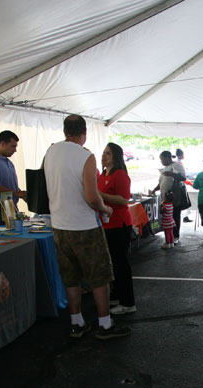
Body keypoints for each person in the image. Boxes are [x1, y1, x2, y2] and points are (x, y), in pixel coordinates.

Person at [44, 115, 130, 340]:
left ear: (65, 131)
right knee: (99, 276)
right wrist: (105, 209)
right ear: (84, 133)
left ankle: (77, 322)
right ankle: (104, 324)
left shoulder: (51, 152)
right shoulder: (86, 156)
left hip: (59, 226)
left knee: (71, 276)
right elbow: (92, 197)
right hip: (83, 226)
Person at [97, 142, 135, 315]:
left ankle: (128, 303)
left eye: (109, 154)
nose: (104, 156)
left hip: (118, 224)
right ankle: (118, 295)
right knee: (113, 264)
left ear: (116, 157)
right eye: (104, 153)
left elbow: (123, 199)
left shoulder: (119, 175)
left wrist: (99, 195)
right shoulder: (103, 174)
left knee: (121, 264)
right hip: (105, 224)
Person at [151, 151, 186, 243]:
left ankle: (175, 236)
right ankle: (169, 236)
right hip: (165, 197)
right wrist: (155, 189)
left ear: (167, 158)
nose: (161, 161)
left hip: (173, 196)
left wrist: (172, 174)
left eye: (161, 159)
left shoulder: (177, 166)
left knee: (175, 215)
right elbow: (161, 182)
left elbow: (183, 178)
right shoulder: (165, 168)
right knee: (168, 217)